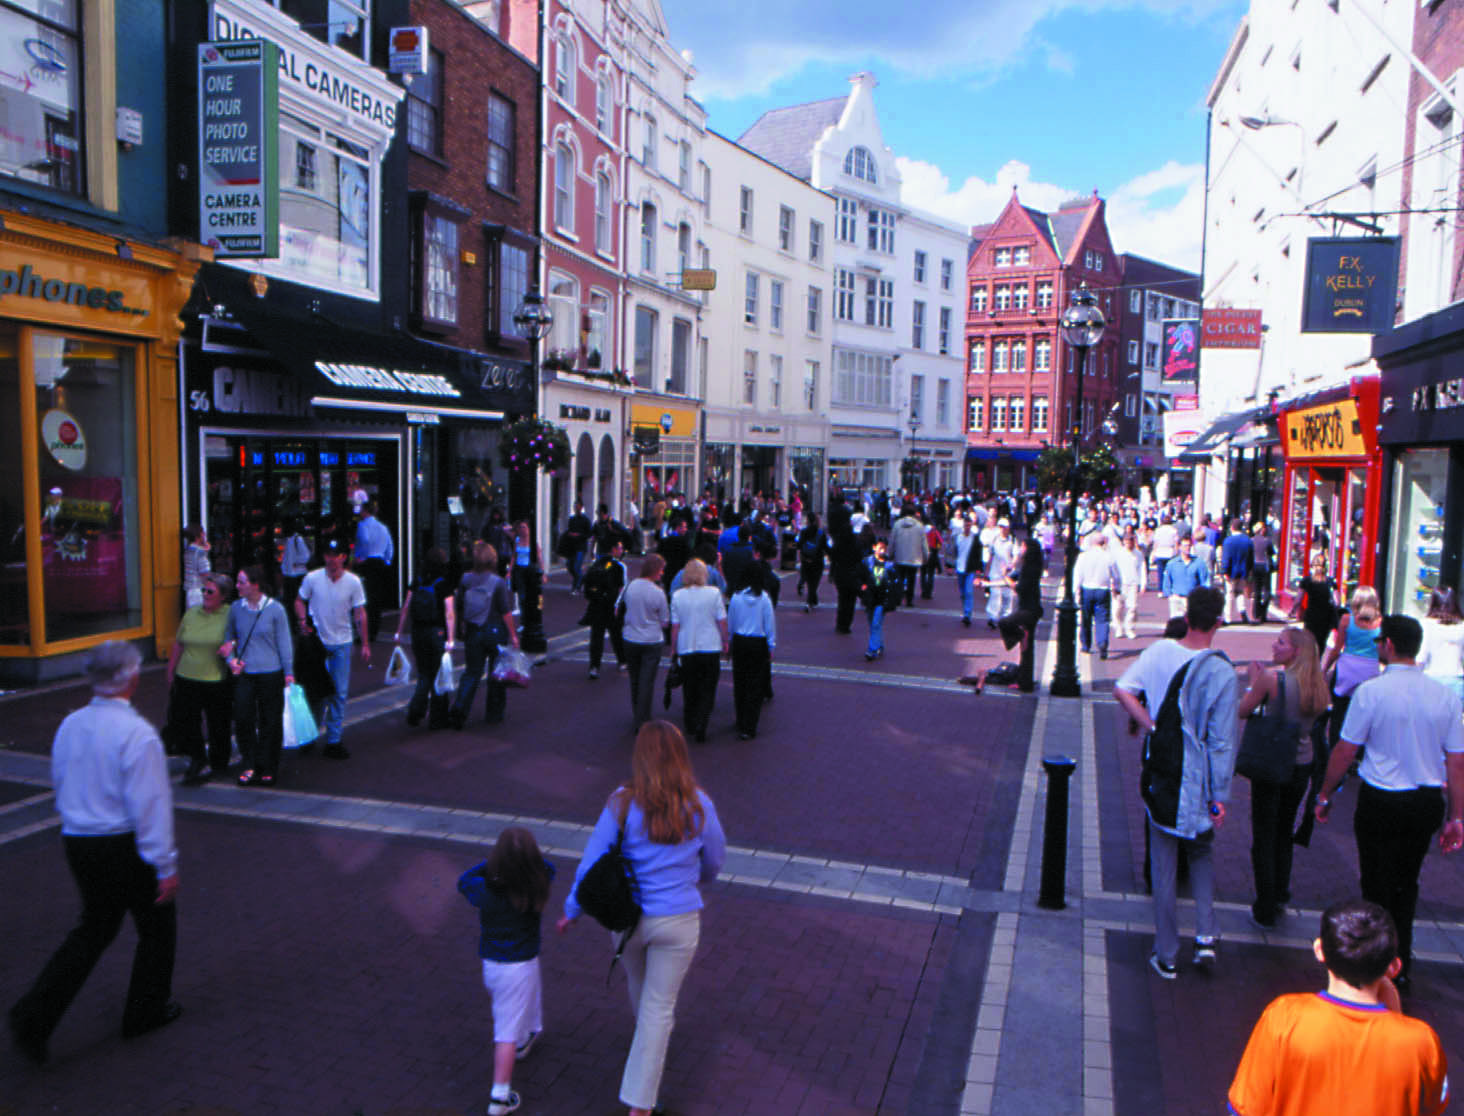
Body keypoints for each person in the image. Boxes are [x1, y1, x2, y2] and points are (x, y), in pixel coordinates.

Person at [8, 642, 182, 1065]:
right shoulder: (138, 734)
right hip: (122, 842)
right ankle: (144, 1011)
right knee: (157, 928)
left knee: (94, 928)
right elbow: (151, 805)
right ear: (130, 679)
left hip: (78, 838)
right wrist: (165, 864)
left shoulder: (71, 723)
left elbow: (59, 776)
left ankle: (35, 1014)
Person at [557, 722, 726, 1116]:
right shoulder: (699, 804)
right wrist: (697, 878)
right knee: (659, 1006)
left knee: (641, 988)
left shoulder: (620, 802)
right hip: (679, 919)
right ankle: (640, 1104)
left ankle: (646, 1053)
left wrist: (571, 910)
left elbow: (592, 861)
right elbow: (715, 861)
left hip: (627, 919)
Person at [1313, 614, 1464, 989]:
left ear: (1390, 645)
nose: (1378, 646)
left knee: (1376, 882)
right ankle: (1402, 963)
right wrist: (1456, 816)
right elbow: (1457, 762)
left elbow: (1346, 750)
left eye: (1381, 642)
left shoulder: (1371, 692)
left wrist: (1325, 793)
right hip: (1425, 800)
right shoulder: (1445, 696)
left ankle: (1374, 964)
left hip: (1380, 797)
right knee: (1406, 881)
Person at [1114, 587, 1239, 979]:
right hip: (1201, 777)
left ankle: (1167, 953)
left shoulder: (1158, 653)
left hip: (1164, 770)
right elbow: (1222, 741)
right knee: (1201, 854)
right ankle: (1205, 935)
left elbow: (1123, 689)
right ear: (1218, 621)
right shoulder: (1222, 670)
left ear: (1187, 618)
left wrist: (1154, 726)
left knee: (1164, 862)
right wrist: (1221, 796)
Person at [1228, 899, 1448, 1116]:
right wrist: (1395, 1011)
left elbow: (1246, 1107)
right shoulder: (1421, 1042)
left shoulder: (1283, 1017)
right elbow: (1430, 1106)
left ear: (1319, 950)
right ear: (1394, 967)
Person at [1236, 626, 1329, 930]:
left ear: (1296, 651)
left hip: (1272, 762)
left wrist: (1251, 683)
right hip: (1302, 762)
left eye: (1281, 643)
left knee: (1263, 833)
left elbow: (1244, 710)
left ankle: (1265, 905)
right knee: (1283, 830)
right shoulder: (1318, 684)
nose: (1274, 646)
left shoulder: (1271, 679)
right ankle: (1279, 893)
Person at [458, 827, 556, 1116]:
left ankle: (526, 1037)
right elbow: (548, 867)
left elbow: (464, 881)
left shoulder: (486, 890)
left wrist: (491, 866)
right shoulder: (537, 884)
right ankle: (499, 1097)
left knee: (523, 1003)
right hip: (520, 964)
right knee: (505, 1033)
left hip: (494, 964)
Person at [295, 538, 369, 760]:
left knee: (339, 692)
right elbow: (299, 600)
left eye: (335, 555)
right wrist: (302, 621)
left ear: (343, 557)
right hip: (318, 642)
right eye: (328, 555)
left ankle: (333, 739)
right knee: (316, 692)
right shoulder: (312, 578)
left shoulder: (353, 582)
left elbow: (360, 612)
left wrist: (365, 642)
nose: (331, 559)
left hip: (342, 642)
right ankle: (310, 735)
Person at [221, 565, 295, 787]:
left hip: (271, 672)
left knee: (269, 721)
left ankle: (268, 766)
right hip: (246, 673)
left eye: (241, 582)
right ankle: (250, 763)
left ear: (255, 584)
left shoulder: (276, 610)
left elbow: (284, 642)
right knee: (243, 718)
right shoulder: (236, 608)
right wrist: (231, 660)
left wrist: (288, 672)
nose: (237, 586)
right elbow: (229, 638)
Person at [165, 573, 233, 786]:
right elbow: (179, 643)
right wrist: (171, 670)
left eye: (210, 591)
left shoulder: (231, 615)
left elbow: (242, 636)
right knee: (186, 721)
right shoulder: (192, 614)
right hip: (187, 677)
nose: (204, 594)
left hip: (215, 678)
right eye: (204, 590)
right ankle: (197, 757)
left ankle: (219, 763)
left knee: (218, 724)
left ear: (222, 596)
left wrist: (233, 645)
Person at [451, 542, 519, 728]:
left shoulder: (465, 579)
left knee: (472, 672)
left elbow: (459, 605)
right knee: (496, 673)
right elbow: (505, 611)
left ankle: (460, 709)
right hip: (495, 629)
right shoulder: (497, 582)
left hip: (473, 630)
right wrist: (513, 635)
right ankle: (494, 713)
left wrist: (460, 626)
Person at [395, 547, 457, 730]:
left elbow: (406, 607)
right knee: (439, 674)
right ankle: (438, 717)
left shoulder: (417, 582)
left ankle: (416, 709)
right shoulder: (443, 584)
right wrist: (451, 638)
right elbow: (449, 612)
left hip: (418, 632)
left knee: (424, 673)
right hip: (436, 632)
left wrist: (399, 631)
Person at [669, 559, 728, 743]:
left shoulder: (678, 596)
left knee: (690, 686)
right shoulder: (714, 593)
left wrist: (673, 648)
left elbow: (675, 627)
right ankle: (703, 720)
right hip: (710, 645)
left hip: (687, 646)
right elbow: (722, 621)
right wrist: (726, 641)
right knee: (708, 687)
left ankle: (690, 720)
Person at [1321, 585, 1383, 751]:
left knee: (1339, 712)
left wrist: (1325, 668)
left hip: (1347, 668)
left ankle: (1336, 748)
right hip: (1370, 669)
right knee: (1365, 714)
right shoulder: (1380, 622)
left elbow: (1337, 648)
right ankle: (1360, 753)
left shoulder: (1347, 620)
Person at [621, 554, 670, 733]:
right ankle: (642, 719)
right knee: (646, 681)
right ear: (656, 571)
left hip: (631, 637)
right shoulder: (658, 593)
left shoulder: (631, 586)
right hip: (651, 639)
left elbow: (622, 606)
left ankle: (638, 714)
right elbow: (665, 620)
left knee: (635, 679)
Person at [727, 566, 776, 739]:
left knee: (739, 682)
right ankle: (750, 725)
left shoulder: (736, 597)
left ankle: (740, 719)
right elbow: (769, 624)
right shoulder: (764, 599)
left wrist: (730, 642)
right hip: (758, 643)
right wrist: (771, 646)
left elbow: (730, 623)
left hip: (740, 641)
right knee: (755, 684)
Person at [583, 538, 629, 680]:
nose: (622, 551)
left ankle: (594, 666)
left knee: (597, 637)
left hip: (597, 604)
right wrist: (618, 605)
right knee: (616, 635)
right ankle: (622, 661)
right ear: (613, 550)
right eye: (620, 548)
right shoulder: (619, 566)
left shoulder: (596, 564)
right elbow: (622, 588)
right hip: (611, 605)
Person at [1074, 531, 1121, 658]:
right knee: (1102, 619)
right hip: (1102, 589)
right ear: (1103, 542)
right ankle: (1102, 642)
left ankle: (1086, 645)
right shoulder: (1108, 556)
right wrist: (1117, 587)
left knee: (1086, 619)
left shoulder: (1083, 556)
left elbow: (1077, 575)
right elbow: (1116, 575)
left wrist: (1075, 591)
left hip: (1087, 589)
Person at [354, 501, 394, 643]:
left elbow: (363, 541)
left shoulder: (362, 526)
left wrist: (360, 557)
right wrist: (387, 561)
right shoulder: (383, 528)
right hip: (380, 562)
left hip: (367, 563)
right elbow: (390, 546)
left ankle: (364, 632)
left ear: (365, 511)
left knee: (364, 598)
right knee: (377, 599)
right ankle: (374, 631)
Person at [1418, 585, 1464, 705]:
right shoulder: (1462, 626)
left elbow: (1420, 657)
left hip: (1431, 679)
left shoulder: (1426, 625)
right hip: (1456, 680)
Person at [1290, 554, 1339, 655]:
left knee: (1309, 643)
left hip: (1312, 616)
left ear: (1312, 566)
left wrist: (1293, 610)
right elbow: (1337, 602)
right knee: (1321, 644)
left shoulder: (1307, 581)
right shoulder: (1330, 581)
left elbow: (1299, 599)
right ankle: (1317, 665)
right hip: (1326, 617)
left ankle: (1308, 667)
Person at [861, 537, 895, 662]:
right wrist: (862, 587)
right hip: (870, 598)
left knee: (875, 623)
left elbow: (895, 582)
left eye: (884, 548)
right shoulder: (866, 562)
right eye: (880, 547)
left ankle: (872, 649)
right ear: (874, 547)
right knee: (873, 623)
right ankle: (879, 644)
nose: (882, 550)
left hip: (882, 598)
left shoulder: (889, 565)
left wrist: (892, 598)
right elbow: (861, 576)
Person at [1160, 534, 1211, 619]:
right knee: (1176, 624)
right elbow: (1167, 580)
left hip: (1192, 599)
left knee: (1193, 624)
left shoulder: (1199, 563)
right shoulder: (1172, 563)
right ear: (1180, 547)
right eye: (1185, 546)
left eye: (1189, 545)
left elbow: (1204, 581)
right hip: (1177, 598)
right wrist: (1169, 595)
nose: (1187, 548)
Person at [889, 504, 927, 609]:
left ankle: (898, 598)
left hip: (900, 556)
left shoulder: (897, 524)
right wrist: (925, 557)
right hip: (914, 558)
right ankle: (909, 600)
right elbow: (924, 544)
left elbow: (892, 541)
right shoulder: (919, 526)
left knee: (899, 578)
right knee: (911, 580)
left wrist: (890, 553)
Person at [1221, 518, 1255, 624]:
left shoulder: (1228, 541)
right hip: (1243, 571)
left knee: (1229, 594)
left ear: (1232, 527)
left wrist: (1224, 571)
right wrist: (1249, 570)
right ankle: (1242, 611)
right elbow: (1250, 558)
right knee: (1240, 592)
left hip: (1231, 572)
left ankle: (1228, 617)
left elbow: (1226, 558)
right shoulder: (1248, 540)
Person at [1112, 530, 1145, 641]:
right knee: (1117, 608)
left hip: (1133, 583)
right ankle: (1118, 627)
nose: (1128, 543)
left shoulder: (1138, 554)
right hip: (1120, 584)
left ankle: (1129, 628)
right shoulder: (1118, 553)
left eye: (1130, 541)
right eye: (1126, 541)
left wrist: (1143, 583)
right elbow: (1113, 568)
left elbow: (1142, 568)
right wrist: (1112, 582)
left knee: (1132, 607)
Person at [279, 517, 312, 623]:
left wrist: (295, 563)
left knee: (295, 601)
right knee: (290, 602)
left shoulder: (298, 539)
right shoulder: (290, 540)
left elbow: (306, 556)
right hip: (290, 576)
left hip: (297, 576)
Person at [984, 519, 1015, 629]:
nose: (1002, 529)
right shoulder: (994, 540)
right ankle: (992, 617)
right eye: (1000, 526)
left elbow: (1016, 557)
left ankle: (1006, 618)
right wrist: (986, 572)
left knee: (1007, 596)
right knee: (995, 595)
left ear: (1008, 528)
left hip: (1007, 574)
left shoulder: (1013, 541)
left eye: (1004, 527)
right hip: (995, 573)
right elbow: (991, 556)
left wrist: (1010, 567)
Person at [953, 514, 983, 628]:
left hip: (970, 569)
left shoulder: (975, 538)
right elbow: (954, 550)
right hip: (960, 568)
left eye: (969, 525)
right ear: (963, 525)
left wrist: (979, 569)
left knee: (969, 591)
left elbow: (978, 554)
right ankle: (965, 609)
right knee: (962, 593)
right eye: (966, 525)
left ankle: (967, 615)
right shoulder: (958, 537)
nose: (967, 527)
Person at [795, 513, 828, 613]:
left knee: (809, 581)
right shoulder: (821, 533)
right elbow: (825, 548)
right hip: (818, 560)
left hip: (806, 559)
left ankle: (812, 600)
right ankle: (809, 602)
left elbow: (799, 545)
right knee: (814, 582)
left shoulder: (804, 532)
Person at [563, 501, 592, 594]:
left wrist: (579, 535)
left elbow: (589, 534)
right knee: (569, 565)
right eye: (575, 507)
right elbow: (569, 530)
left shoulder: (586, 520)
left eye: (578, 507)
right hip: (572, 547)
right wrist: (570, 535)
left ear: (581, 507)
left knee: (576, 566)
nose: (576, 508)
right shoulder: (572, 519)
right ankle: (580, 578)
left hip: (581, 547)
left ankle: (576, 587)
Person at [1249, 522, 1275, 623]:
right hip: (1265, 567)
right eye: (1264, 528)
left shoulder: (1251, 541)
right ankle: (1263, 613)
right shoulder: (1267, 541)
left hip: (1255, 566)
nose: (1266, 530)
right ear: (1261, 529)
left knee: (1257, 590)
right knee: (1267, 591)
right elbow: (1271, 552)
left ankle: (1256, 613)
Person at [181, 524, 211, 610]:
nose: (205, 535)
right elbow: (204, 573)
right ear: (199, 535)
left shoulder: (188, 550)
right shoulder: (200, 552)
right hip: (198, 592)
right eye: (203, 533)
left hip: (190, 591)